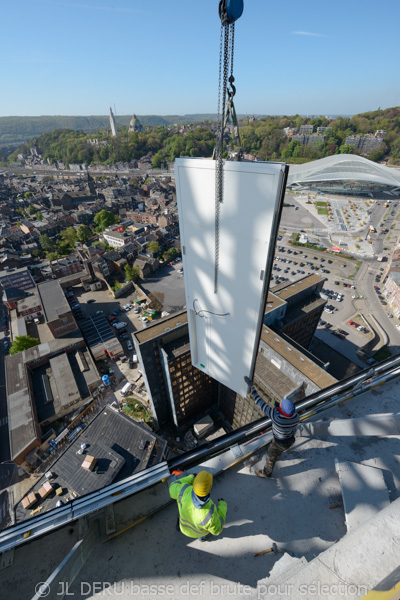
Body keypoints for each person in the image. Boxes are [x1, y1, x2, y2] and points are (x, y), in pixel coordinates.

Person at [244, 376, 299, 479]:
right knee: (278, 451)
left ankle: (266, 473)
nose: (280, 401)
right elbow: (286, 416)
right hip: (290, 439)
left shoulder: (276, 416)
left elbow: (260, 402)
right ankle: (277, 455)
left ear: (282, 410)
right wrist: (279, 408)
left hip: (279, 442)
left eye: (282, 403)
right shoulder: (296, 416)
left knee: (270, 457)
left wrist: (252, 387)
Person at [169, 470, 227, 541]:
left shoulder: (183, 490)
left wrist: (191, 478)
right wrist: (223, 505)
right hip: (198, 533)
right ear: (209, 488)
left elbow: (172, 487)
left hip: (183, 528)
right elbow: (217, 530)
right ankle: (202, 538)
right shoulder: (210, 514)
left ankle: (178, 527)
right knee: (203, 533)